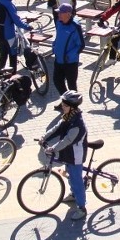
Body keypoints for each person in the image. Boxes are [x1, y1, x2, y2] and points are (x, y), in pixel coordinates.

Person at [40, 90, 89, 220]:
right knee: (69, 175)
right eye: (62, 104)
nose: (62, 106)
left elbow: (66, 141)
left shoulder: (78, 124)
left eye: (65, 105)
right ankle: (73, 195)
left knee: (76, 181)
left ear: (72, 107)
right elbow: (57, 128)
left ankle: (82, 208)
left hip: (75, 156)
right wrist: (44, 137)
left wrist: (53, 148)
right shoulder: (68, 117)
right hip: (68, 154)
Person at [0, 0, 32, 74]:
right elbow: (17, 21)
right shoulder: (9, 4)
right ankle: (13, 80)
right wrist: (28, 26)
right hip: (9, 35)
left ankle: (1, 77)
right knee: (13, 57)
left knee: (3, 56)